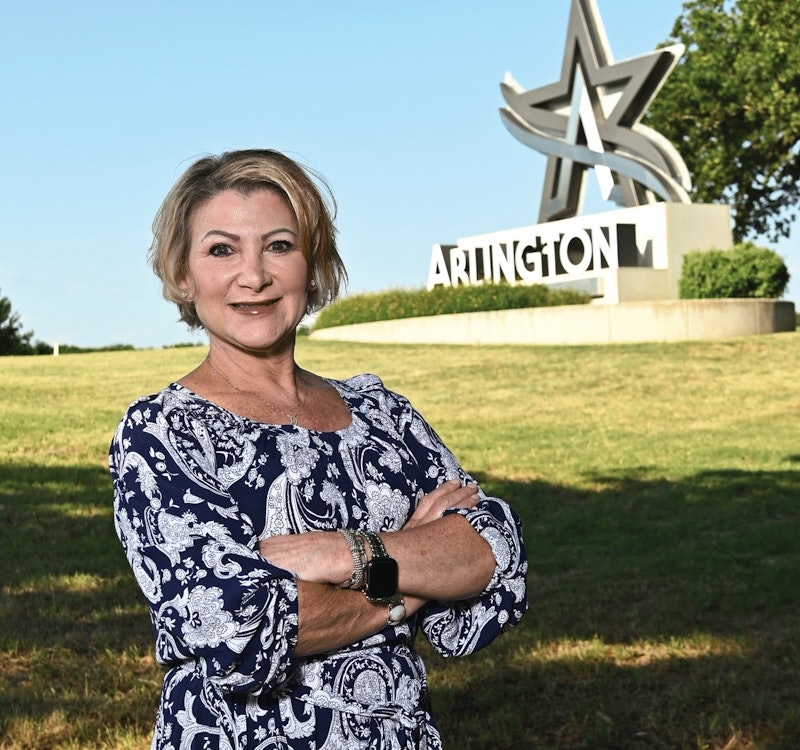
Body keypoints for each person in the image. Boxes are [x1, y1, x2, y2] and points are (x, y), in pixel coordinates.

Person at [109, 148, 527, 750]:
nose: (253, 276)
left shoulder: (384, 414)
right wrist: (410, 577)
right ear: (182, 273)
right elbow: (238, 629)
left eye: (279, 246)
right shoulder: (162, 434)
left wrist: (337, 554)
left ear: (314, 263)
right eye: (221, 250)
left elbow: (493, 557)